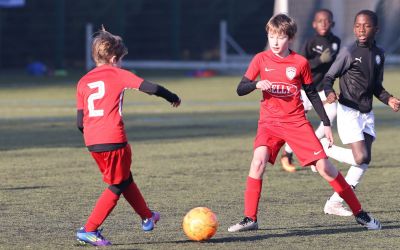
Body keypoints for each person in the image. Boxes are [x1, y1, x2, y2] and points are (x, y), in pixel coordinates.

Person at [228, 13, 381, 233]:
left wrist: (326, 123)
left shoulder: (299, 62)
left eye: (280, 37)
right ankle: (250, 218)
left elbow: (311, 93)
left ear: (289, 38)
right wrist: (256, 84)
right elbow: (240, 88)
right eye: (272, 36)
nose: (275, 42)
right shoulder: (260, 59)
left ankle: (360, 213)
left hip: (296, 123)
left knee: (325, 168)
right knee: (257, 163)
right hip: (269, 123)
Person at [75, 26, 181, 246]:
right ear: (114, 59)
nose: (121, 63)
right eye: (121, 59)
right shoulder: (118, 73)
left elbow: (79, 122)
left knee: (124, 179)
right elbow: (151, 88)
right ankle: (89, 229)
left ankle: (147, 216)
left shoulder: (83, 81)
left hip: (92, 143)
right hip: (114, 139)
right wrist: (172, 97)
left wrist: (95, 134)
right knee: (116, 185)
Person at [321, 10, 400, 216]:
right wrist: (329, 93)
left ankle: (335, 202)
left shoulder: (379, 54)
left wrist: (389, 99)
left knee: (364, 162)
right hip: (349, 111)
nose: (361, 30)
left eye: (366, 26)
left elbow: (376, 87)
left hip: (367, 114)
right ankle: (323, 148)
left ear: (376, 29)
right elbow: (329, 78)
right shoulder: (348, 52)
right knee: (361, 157)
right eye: (357, 26)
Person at [281, 9, 341, 172]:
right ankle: (287, 155)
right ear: (314, 24)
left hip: (324, 88)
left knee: (332, 114)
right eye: (320, 21)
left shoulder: (336, 42)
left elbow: (336, 66)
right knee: (298, 123)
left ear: (332, 23)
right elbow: (300, 64)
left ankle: (311, 142)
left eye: (327, 20)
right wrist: (319, 60)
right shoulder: (311, 42)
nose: (323, 23)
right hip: (306, 88)